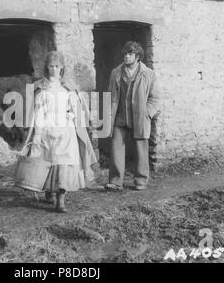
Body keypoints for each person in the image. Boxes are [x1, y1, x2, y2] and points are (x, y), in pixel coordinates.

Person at [20, 51, 98, 212]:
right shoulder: (42, 88)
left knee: (64, 164)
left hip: (66, 130)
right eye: (51, 66)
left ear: (62, 68)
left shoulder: (68, 88)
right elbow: (39, 113)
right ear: (46, 68)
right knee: (49, 162)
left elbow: (76, 108)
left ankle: (61, 200)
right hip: (48, 129)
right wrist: (38, 135)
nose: (54, 69)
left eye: (57, 66)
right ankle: (50, 192)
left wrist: (76, 118)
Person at [104, 41, 161, 191]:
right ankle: (116, 181)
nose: (127, 56)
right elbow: (110, 94)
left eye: (130, 54)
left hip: (139, 117)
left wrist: (147, 113)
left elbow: (155, 98)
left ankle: (141, 181)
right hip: (120, 117)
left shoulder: (148, 74)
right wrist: (109, 114)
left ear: (138, 57)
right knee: (116, 148)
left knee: (141, 150)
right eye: (125, 54)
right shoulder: (116, 72)